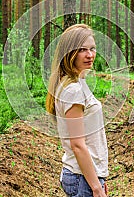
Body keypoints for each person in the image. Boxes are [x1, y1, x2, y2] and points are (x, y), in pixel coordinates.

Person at [46, 24, 109, 197]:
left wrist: (99, 179)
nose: (90, 55)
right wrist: (95, 187)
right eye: (82, 50)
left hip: (85, 177)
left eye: (92, 48)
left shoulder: (77, 83)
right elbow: (78, 145)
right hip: (82, 179)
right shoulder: (73, 90)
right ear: (70, 53)